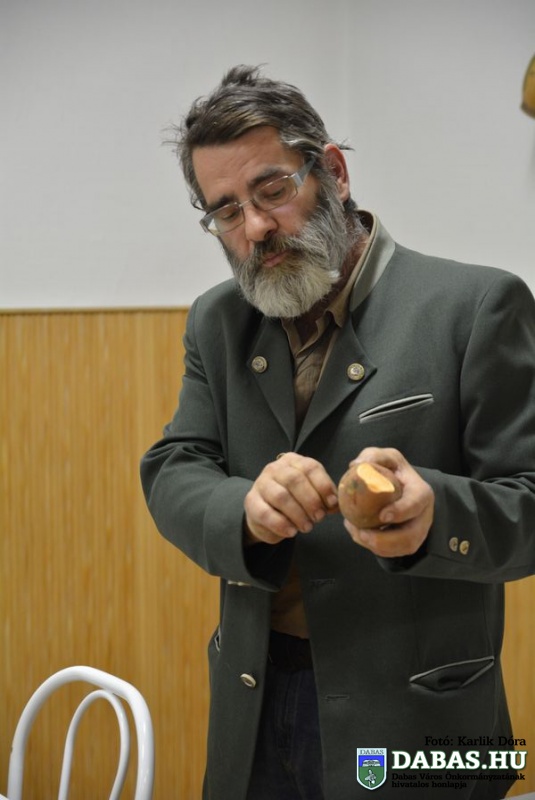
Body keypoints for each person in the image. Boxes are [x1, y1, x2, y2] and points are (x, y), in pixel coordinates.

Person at [140, 65, 535, 800]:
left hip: (421, 718)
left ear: (333, 172)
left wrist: (435, 512)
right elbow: (175, 466)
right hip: (254, 704)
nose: (256, 229)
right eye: (226, 212)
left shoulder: (475, 304)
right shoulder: (217, 320)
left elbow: (528, 502)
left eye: (272, 190)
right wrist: (242, 508)